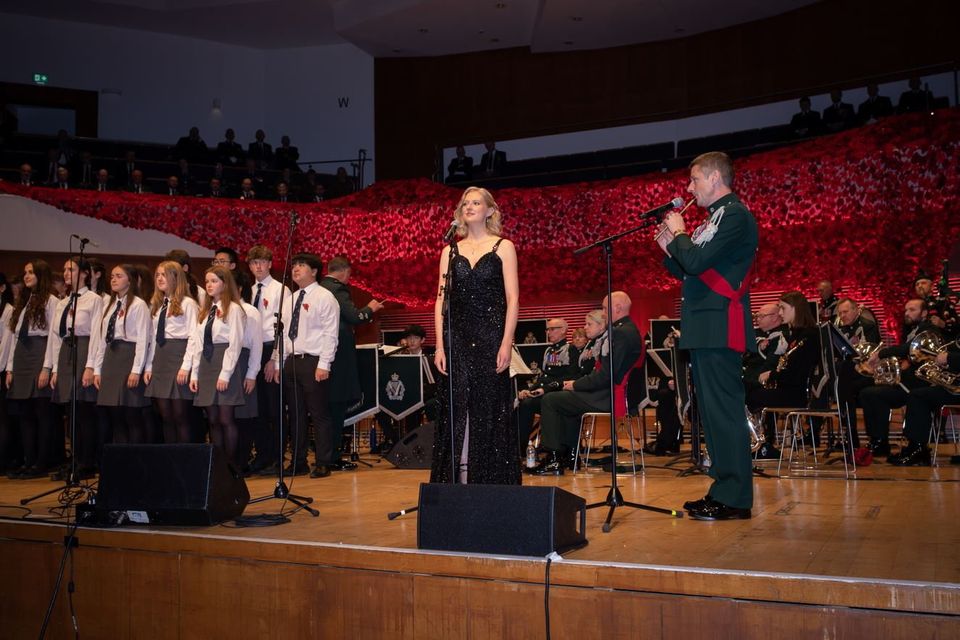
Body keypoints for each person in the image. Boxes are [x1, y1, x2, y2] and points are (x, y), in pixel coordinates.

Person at [659, 151, 758, 520]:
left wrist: (681, 235)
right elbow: (690, 270)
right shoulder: (714, 218)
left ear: (715, 178)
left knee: (725, 413)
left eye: (695, 180)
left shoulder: (734, 215)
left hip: (720, 325)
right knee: (713, 416)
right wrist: (670, 247)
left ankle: (735, 498)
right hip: (705, 325)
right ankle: (722, 488)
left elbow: (698, 262)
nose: (689, 188)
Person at [432, 187, 519, 485]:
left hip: (490, 337)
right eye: (465, 203)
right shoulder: (450, 250)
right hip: (456, 338)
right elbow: (440, 300)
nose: (469, 207)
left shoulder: (503, 246)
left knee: (488, 409)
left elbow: (513, 298)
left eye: (476, 202)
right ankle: (459, 481)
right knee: (456, 410)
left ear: (490, 210)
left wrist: (506, 343)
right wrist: (440, 346)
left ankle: (490, 483)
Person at [530, 295, 641, 475]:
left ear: (618, 307)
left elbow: (607, 375)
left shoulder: (620, 332)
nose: (604, 314)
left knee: (551, 400)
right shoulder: (627, 330)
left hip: (607, 395)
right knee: (564, 401)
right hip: (609, 391)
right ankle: (568, 456)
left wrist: (576, 385)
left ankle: (554, 458)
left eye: (605, 309)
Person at [266, 253, 339, 478]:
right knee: (295, 415)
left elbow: (330, 333)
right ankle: (298, 461)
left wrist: (324, 363)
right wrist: (278, 363)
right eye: (294, 265)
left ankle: (323, 461)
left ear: (314, 271)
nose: (296, 269)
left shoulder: (325, 297)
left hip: (314, 361)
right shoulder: (289, 299)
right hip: (291, 361)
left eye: (302, 266)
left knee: (318, 414)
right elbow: (283, 334)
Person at [319, 256, 384, 473]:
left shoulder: (319, 288)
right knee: (336, 407)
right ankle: (333, 457)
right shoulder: (337, 289)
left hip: (320, 355)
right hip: (337, 358)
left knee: (324, 410)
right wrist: (370, 308)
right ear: (345, 272)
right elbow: (354, 316)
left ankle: (324, 455)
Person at [46, 258, 103, 476]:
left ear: (85, 273)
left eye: (71, 269)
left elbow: (97, 335)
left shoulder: (93, 300)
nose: (66, 273)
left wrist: (90, 366)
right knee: (70, 410)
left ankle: (87, 462)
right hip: (66, 352)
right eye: (64, 269)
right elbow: (55, 336)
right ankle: (75, 460)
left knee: (84, 410)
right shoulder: (63, 302)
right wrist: (54, 368)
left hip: (84, 349)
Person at [747, 291, 821, 458]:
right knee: (749, 392)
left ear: (795, 309)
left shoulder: (809, 335)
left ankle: (761, 445)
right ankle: (759, 443)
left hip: (797, 394)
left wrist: (772, 375)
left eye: (782, 308)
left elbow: (796, 372)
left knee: (750, 395)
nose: (780, 312)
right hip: (788, 389)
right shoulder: (797, 334)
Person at [5, 261, 59, 478]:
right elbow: (15, 337)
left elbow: (54, 337)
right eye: (25, 272)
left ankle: (42, 462)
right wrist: (10, 368)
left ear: (41, 275)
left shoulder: (52, 300)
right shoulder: (25, 301)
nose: (26, 276)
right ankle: (28, 461)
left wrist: (47, 367)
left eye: (31, 272)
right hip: (21, 357)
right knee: (25, 413)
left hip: (40, 353)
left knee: (42, 412)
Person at [188, 267, 246, 463]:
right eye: (207, 281)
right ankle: (217, 463)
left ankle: (230, 465)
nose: (209, 285)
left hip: (224, 363)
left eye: (214, 281)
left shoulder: (234, 309)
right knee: (212, 419)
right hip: (206, 364)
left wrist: (225, 373)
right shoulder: (205, 310)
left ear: (225, 283)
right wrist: (194, 373)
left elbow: (235, 343)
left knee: (225, 418)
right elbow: (197, 343)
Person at [91, 264, 151, 444]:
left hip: (128, 358)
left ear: (130, 280)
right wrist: (97, 369)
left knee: (131, 416)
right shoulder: (110, 304)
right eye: (112, 276)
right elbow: (103, 340)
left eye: (119, 276)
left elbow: (143, 339)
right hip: (111, 359)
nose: (113, 279)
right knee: (115, 417)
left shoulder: (139, 305)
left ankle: (136, 462)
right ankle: (121, 462)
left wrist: (136, 370)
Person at [245, 245, 291, 476]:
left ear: (270, 264)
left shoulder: (280, 290)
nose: (258, 267)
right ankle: (263, 454)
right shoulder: (249, 291)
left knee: (274, 409)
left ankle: (277, 456)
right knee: (257, 409)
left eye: (262, 262)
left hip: (271, 349)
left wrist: (275, 358)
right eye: (254, 263)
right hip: (253, 350)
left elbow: (284, 329)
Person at [143, 261, 199, 444]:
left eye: (164, 274)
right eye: (157, 274)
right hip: (160, 361)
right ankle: (170, 458)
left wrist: (185, 367)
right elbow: (153, 339)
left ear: (176, 278)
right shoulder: (158, 305)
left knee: (180, 416)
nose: (159, 278)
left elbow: (193, 337)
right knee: (165, 416)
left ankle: (185, 459)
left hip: (178, 359)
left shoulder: (188, 303)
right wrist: (149, 366)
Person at [516, 318, 580, 454]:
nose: (548, 332)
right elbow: (544, 376)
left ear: (563, 330)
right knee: (523, 402)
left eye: (552, 329)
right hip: (545, 392)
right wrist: (529, 390)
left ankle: (545, 447)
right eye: (547, 329)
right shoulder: (549, 351)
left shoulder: (571, 349)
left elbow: (570, 377)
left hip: (559, 394)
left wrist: (545, 389)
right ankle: (520, 447)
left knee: (528, 404)